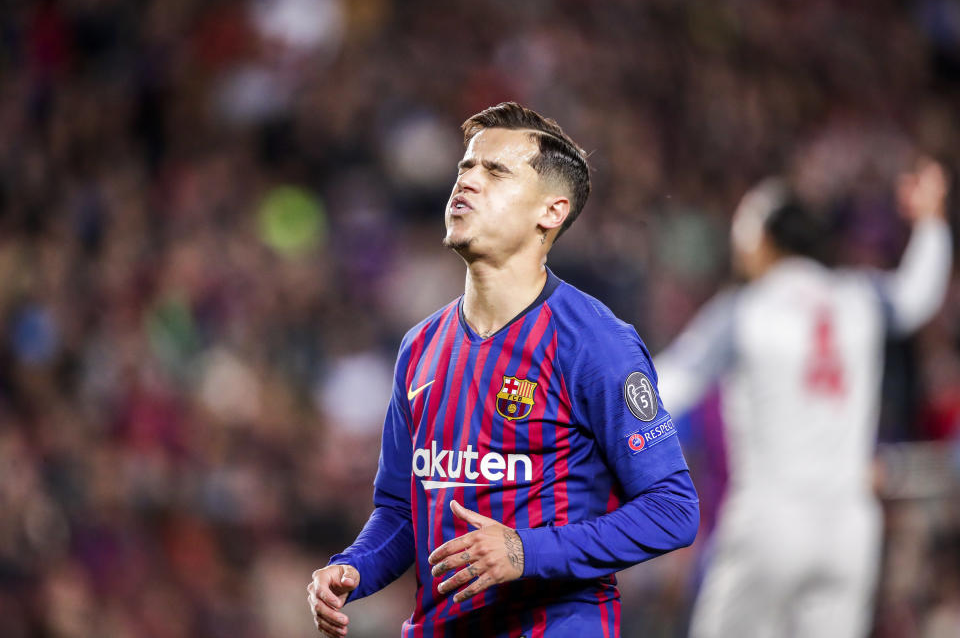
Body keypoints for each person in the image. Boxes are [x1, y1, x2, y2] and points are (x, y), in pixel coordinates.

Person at [307, 102, 699, 637]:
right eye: (465, 167)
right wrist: (355, 565)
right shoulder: (420, 346)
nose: (467, 182)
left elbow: (673, 509)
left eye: (495, 171)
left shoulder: (596, 344)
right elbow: (402, 508)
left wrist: (524, 550)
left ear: (551, 212)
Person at [653, 159, 953, 638]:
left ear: (766, 239)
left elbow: (665, 386)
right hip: (848, 528)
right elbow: (918, 294)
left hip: (770, 519)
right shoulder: (860, 298)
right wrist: (932, 221)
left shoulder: (748, 309)